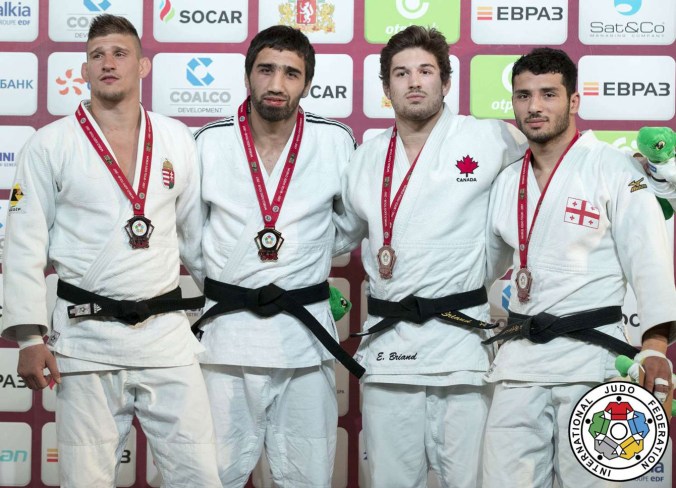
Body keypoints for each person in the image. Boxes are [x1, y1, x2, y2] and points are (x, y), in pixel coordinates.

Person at [1, 14, 220, 487]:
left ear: (142, 66)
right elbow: (23, 245)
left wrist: (225, 306)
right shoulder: (49, 144)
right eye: (97, 55)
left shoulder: (177, 138)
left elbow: (197, 239)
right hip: (85, 338)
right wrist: (28, 339)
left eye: (120, 53)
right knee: (86, 480)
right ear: (83, 70)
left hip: (165, 335)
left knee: (200, 475)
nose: (108, 63)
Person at [341, 26, 526, 488]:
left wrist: (647, 175)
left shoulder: (490, 138)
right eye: (401, 74)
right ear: (386, 89)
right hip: (390, 352)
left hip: (461, 350)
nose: (414, 82)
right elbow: (334, 235)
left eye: (426, 71)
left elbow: (553, 169)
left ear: (447, 82)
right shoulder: (366, 157)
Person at [482, 47, 676, 488]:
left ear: (573, 101)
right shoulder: (507, 181)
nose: (534, 106)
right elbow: (481, 267)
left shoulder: (615, 168)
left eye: (548, 94)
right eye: (523, 95)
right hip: (518, 365)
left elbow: (649, 262)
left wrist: (656, 348)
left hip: (595, 363)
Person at [193, 25, 359, 488]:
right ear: (248, 76)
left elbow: (349, 224)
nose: (277, 84)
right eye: (266, 69)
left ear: (307, 83)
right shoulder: (208, 142)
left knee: (307, 477)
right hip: (225, 337)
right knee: (209, 476)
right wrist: (236, 277)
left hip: (303, 337)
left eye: (291, 73)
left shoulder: (335, 142)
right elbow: (190, 236)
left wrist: (304, 257)